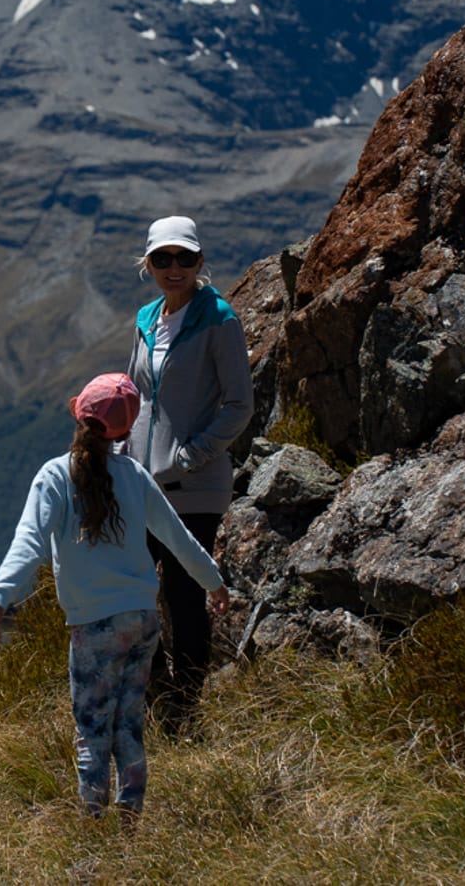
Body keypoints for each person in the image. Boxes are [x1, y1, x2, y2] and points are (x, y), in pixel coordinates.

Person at [0, 373, 229, 820]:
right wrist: (213, 582)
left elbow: (29, 542)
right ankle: (129, 818)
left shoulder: (55, 475)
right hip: (141, 620)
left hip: (94, 625)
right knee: (129, 725)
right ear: (126, 431)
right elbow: (177, 537)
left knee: (92, 729)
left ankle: (93, 824)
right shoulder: (134, 474)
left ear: (77, 414)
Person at [126, 215, 253, 724]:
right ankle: (156, 694)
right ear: (148, 264)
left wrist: (190, 455)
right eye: (162, 259)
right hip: (142, 485)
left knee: (183, 597)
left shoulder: (218, 318)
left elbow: (239, 404)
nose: (173, 268)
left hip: (193, 486)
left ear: (200, 262)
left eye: (184, 258)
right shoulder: (145, 318)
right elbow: (135, 394)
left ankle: (185, 707)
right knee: (133, 590)